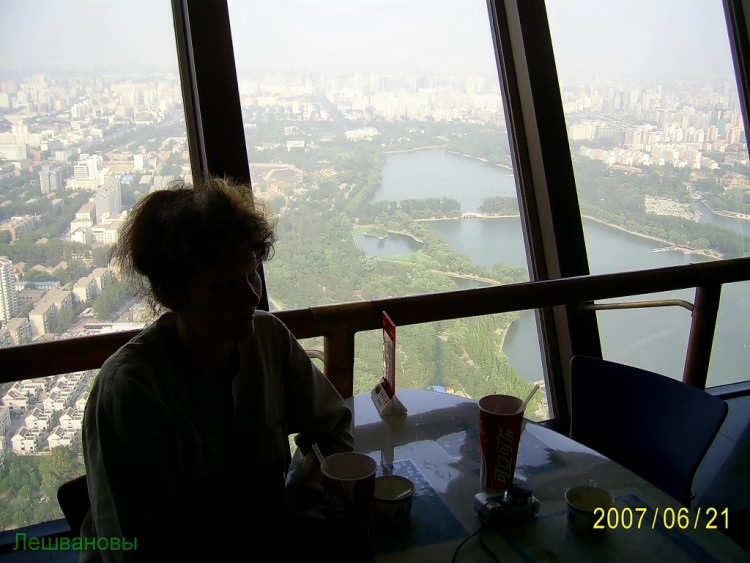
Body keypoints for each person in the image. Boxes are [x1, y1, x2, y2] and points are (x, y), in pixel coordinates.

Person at [80, 177, 358, 561]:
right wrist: (279, 532)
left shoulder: (267, 337)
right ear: (172, 295)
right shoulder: (130, 391)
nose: (252, 295)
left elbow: (332, 426)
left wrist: (310, 488)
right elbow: (144, 548)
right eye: (226, 286)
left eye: (253, 273)